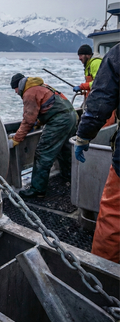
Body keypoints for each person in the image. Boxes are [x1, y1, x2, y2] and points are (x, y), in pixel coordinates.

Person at [74, 43, 120, 263]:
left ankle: (104, 275)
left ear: (85, 55)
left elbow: (101, 99)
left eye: (80, 55)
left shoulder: (114, 55)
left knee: (113, 215)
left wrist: (83, 137)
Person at [9, 73, 77, 198]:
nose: (15, 92)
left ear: (18, 86)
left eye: (15, 89)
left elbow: (28, 120)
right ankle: (69, 176)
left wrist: (16, 139)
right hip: (71, 116)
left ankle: (37, 189)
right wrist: (39, 121)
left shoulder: (29, 92)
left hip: (60, 121)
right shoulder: (42, 86)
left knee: (43, 153)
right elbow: (49, 106)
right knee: (64, 149)